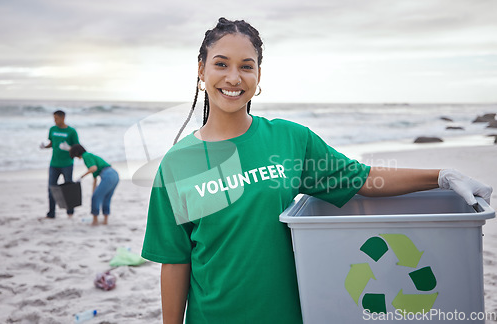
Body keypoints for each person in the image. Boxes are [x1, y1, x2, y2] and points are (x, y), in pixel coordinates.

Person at [141, 18, 493, 324]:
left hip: (290, 316)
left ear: (259, 75)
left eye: (246, 66)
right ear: (201, 70)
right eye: (221, 64)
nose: (234, 77)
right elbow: (175, 261)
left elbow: (364, 178)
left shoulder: (290, 140)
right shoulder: (178, 163)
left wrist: (441, 176)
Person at [40, 110, 79, 219]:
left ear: (63, 118)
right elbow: (51, 143)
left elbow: (77, 148)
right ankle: (51, 213)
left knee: (68, 188)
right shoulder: (52, 129)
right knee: (51, 188)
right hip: (54, 164)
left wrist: (69, 148)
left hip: (67, 164)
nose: (55, 121)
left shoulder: (71, 131)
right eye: (54, 118)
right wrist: (45, 147)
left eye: (56, 118)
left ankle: (70, 212)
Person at [69, 144, 119, 226]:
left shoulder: (86, 156)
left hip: (108, 175)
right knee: (106, 198)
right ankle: (105, 221)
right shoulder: (91, 156)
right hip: (115, 174)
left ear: (76, 153)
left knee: (96, 198)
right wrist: (94, 192)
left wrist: (81, 177)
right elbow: (95, 179)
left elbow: (93, 168)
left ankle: (95, 221)